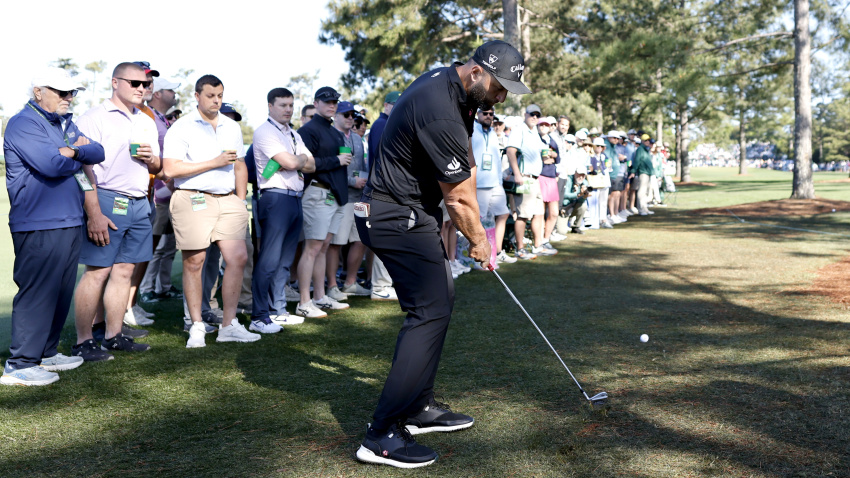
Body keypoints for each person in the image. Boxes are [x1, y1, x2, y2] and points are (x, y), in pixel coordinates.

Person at [354, 40, 530, 468]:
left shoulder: (456, 89)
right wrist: (481, 241)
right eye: (499, 87)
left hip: (405, 214)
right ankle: (381, 434)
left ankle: (418, 407)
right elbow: (460, 201)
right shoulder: (438, 105)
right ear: (476, 72)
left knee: (438, 303)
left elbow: (463, 160)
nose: (502, 96)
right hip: (395, 216)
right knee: (429, 311)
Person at [1, 68, 106, 385]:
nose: (68, 97)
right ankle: (20, 364)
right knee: (38, 293)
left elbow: (97, 152)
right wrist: (79, 154)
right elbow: (51, 164)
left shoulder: (64, 123)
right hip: (38, 221)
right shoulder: (23, 123)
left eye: (72, 92)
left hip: (69, 219)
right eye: (61, 92)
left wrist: (73, 150)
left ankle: (45, 353)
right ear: (38, 92)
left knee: (60, 291)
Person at [163, 74, 259, 348]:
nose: (216, 101)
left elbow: (240, 165)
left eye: (219, 96)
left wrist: (240, 201)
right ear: (197, 96)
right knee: (195, 262)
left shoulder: (231, 126)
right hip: (193, 198)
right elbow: (170, 169)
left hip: (228, 200)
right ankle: (196, 326)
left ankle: (229, 325)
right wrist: (214, 162)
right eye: (210, 96)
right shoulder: (181, 128)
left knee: (238, 257)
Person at [72, 62, 160, 358]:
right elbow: (82, 171)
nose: (141, 89)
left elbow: (158, 166)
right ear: (114, 82)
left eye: (145, 84)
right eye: (134, 83)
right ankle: (83, 341)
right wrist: (94, 212)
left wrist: (152, 160)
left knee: (124, 271)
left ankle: (113, 335)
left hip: (139, 202)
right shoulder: (94, 118)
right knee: (97, 272)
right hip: (107, 198)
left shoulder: (146, 120)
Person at [251, 87, 315, 330]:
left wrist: (292, 162)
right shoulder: (264, 132)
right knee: (269, 259)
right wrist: (297, 160)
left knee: (285, 261)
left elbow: (313, 165)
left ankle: (278, 310)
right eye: (283, 105)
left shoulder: (294, 134)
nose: (288, 109)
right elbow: (295, 161)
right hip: (275, 198)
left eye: (290, 105)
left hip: (295, 197)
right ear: (270, 106)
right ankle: (259, 316)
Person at [295, 86, 351, 317]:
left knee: (323, 247)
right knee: (312, 248)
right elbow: (307, 164)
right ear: (316, 103)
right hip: (317, 193)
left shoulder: (335, 131)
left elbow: (341, 161)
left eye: (334, 102)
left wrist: (339, 161)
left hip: (335, 195)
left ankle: (320, 297)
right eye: (327, 101)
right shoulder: (308, 130)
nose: (332, 105)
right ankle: (304, 302)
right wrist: (336, 160)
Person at [327, 101, 372, 297]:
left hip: (360, 197)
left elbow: (361, 163)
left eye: (352, 115)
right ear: (335, 116)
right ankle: (331, 286)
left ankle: (351, 282)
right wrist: (351, 181)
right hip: (341, 197)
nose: (350, 118)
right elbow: (329, 169)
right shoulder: (330, 136)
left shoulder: (356, 137)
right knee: (336, 242)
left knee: (362, 239)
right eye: (345, 114)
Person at [364, 91, 401, 301]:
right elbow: (384, 155)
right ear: (386, 105)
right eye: (395, 103)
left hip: (388, 188)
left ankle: (384, 283)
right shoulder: (381, 124)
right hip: (383, 188)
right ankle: (380, 286)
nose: (398, 107)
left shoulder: (388, 123)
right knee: (385, 237)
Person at [472, 106, 514, 263]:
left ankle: (497, 252)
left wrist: (500, 182)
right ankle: (478, 256)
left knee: (503, 214)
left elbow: (496, 159)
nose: (488, 116)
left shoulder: (492, 133)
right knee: (478, 221)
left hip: (495, 183)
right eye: (485, 113)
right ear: (478, 114)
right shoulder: (472, 129)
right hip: (479, 184)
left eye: (491, 114)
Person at [506, 104, 549, 259]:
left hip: (535, 178)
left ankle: (537, 246)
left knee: (539, 213)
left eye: (537, 115)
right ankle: (520, 249)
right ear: (525, 114)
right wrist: (517, 174)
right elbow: (511, 151)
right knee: (523, 215)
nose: (535, 117)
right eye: (532, 114)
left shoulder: (535, 132)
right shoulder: (519, 129)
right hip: (525, 178)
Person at [537, 116, 561, 250]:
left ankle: (546, 238)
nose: (544, 127)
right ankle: (539, 240)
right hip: (540, 176)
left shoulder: (552, 141)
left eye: (546, 125)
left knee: (554, 212)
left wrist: (553, 156)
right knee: (540, 212)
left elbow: (558, 159)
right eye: (541, 125)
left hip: (551, 177)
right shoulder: (535, 139)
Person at [629, 134, 654, 215]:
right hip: (643, 173)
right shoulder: (640, 149)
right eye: (646, 140)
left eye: (648, 140)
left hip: (648, 173)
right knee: (641, 192)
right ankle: (641, 209)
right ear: (642, 141)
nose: (647, 142)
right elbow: (637, 161)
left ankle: (645, 208)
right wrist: (633, 171)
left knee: (646, 192)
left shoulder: (646, 150)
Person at [562, 166, 591, 234]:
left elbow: (580, 201)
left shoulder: (585, 183)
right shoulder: (568, 180)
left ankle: (576, 227)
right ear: (575, 173)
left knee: (583, 206)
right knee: (561, 231)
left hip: (574, 206)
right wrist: (578, 194)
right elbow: (564, 195)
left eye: (583, 175)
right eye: (579, 174)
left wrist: (584, 196)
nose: (581, 177)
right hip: (565, 207)